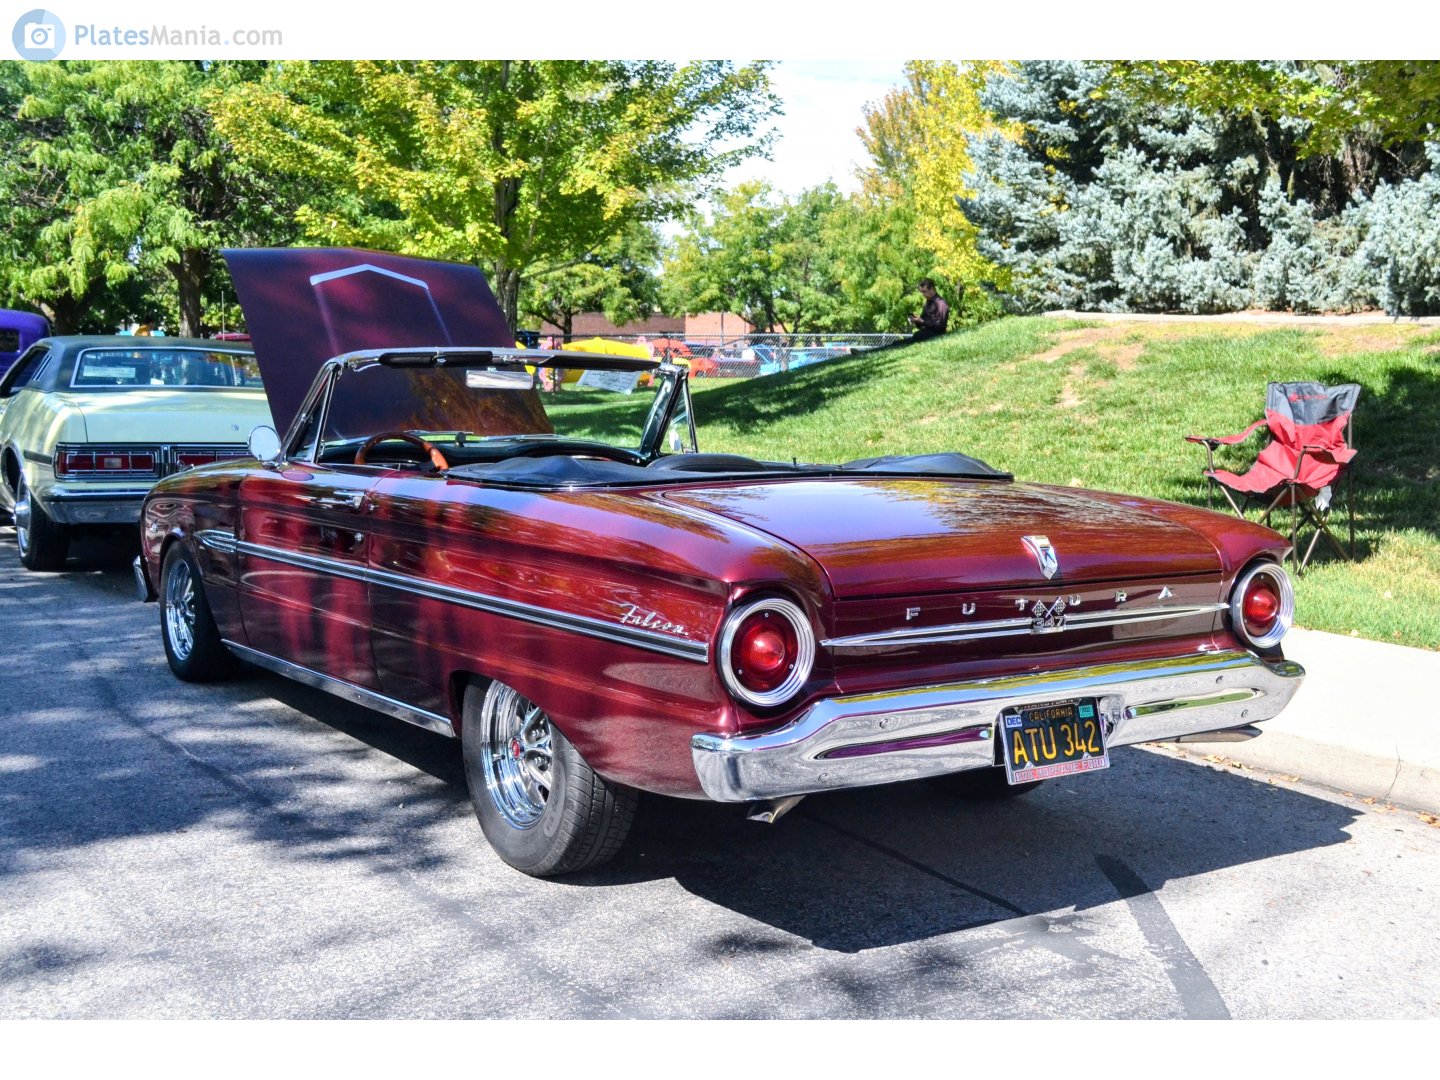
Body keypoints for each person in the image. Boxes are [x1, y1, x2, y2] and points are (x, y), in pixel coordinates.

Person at [907, 278, 950, 342]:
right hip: (923, 334)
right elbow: (922, 325)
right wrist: (916, 320)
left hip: (934, 336)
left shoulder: (941, 303)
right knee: (896, 344)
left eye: (924, 291)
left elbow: (940, 327)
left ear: (932, 289)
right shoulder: (927, 303)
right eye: (921, 292)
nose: (923, 294)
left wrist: (922, 321)